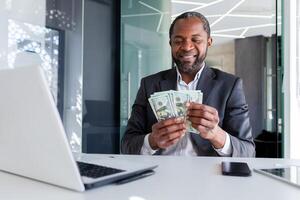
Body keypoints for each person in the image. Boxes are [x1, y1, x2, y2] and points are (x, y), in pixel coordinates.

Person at [121, 11, 255, 157]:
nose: (186, 47)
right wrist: (152, 141)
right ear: (170, 43)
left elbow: (247, 151)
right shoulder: (149, 84)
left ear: (209, 42)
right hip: (158, 174)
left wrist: (216, 134)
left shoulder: (230, 86)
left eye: (196, 40)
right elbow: (127, 145)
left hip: (209, 176)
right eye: (178, 41)